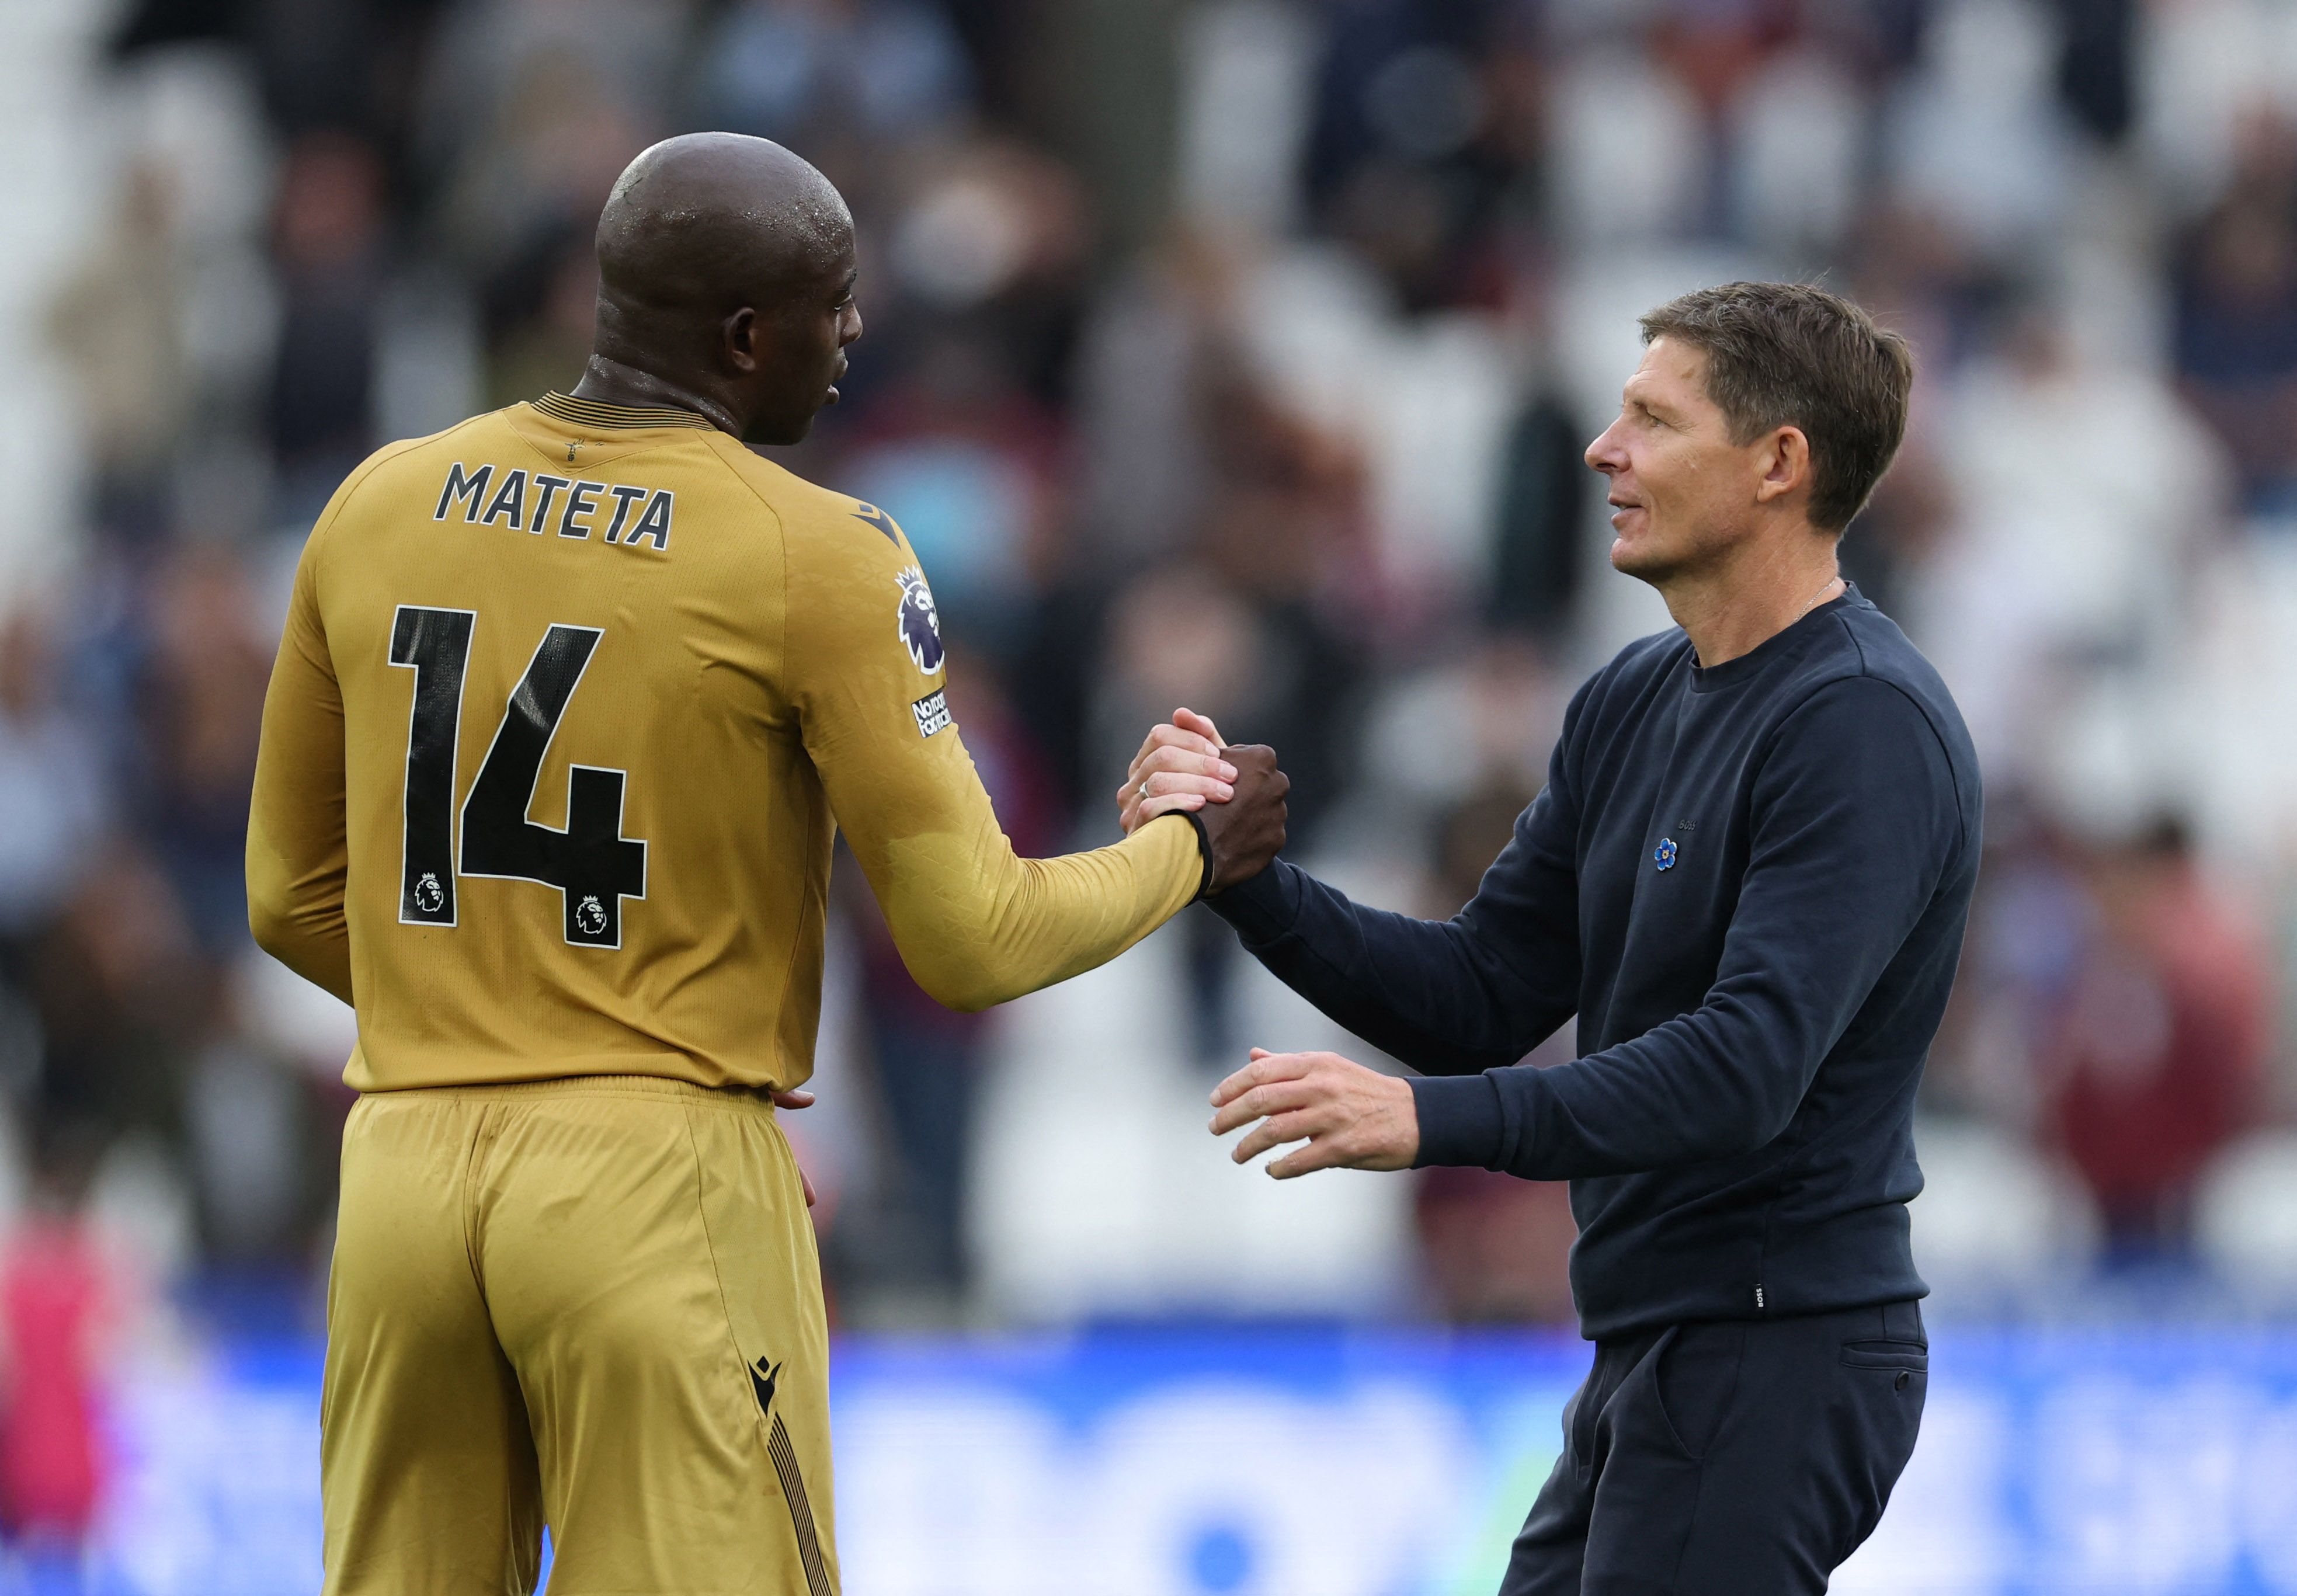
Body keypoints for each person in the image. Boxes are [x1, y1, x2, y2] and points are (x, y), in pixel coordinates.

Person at [246, 132, 1287, 1596]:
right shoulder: (817, 553)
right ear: (746, 334)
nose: (856, 333)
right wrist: (1184, 848)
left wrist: (507, 1025)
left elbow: (287, 893)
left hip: (402, 1175)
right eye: (835, 301)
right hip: (654, 1184)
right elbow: (973, 939)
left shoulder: (380, 501)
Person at [1123, 281, 1980, 1594]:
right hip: (1658, 1346)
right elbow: (1479, 988)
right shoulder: (1631, 697)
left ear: (1777, 463)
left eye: (1651, 416)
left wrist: (1430, 1121)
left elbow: (1746, 1067)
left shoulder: (1857, 725)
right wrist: (1241, 878)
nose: (1602, 447)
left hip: (1780, 1348)